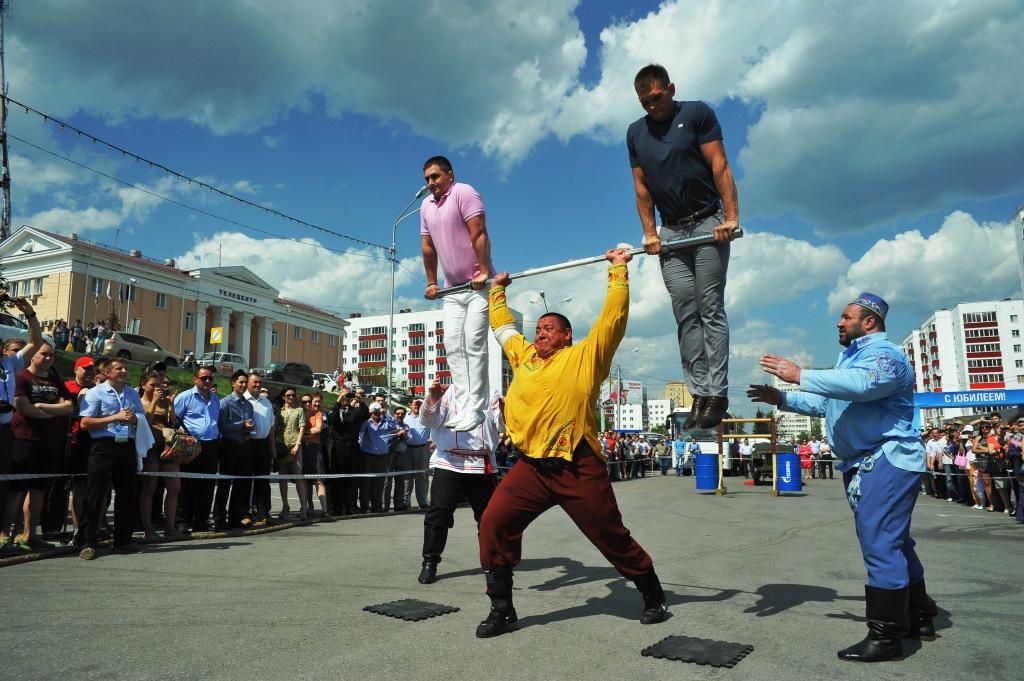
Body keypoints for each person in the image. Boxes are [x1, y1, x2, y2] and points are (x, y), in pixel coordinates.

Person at [475, 246, 668, 638]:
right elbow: (502, 328)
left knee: (610, 535)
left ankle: (652, 594)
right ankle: (502, 608)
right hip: (531, 466)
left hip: (577, 463)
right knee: (494, 523)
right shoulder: (524, 356)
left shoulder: (586, 357)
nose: (539, 332)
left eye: (548, 328)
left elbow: (612, 320)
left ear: (566, 335)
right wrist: (497, 291)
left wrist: (618, 271)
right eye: (538, 328)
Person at [748, 292, 936, 662]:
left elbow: (862, 386)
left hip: (886, 458)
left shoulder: (884, 356)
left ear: (869, 323)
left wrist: (799, 374)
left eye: (846, 317)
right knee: (896, 543)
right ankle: (919, 616)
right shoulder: (852, 358)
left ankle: (886, 638)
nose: (838, 322)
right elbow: (826, 403)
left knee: (881, 544)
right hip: (869, 462)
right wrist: (782, 398)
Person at [628, 63, 739, 431]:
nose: (651, 107)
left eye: (656, 99)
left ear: (671, 89)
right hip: (671, 233)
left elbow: (719, 164)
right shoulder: (635, 133)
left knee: (709, 308)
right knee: (684, 313)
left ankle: (717, 393)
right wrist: (650, 234)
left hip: (708, 223)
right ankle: (699, 392)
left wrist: (731, 217)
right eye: (644, 102)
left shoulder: (696, 113)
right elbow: (642, 188)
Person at [420, 155, 496, 433]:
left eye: (435, 176)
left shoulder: (464, 192)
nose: (431, 183)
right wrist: (431, 281)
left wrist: (484, 271)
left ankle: (478, 408)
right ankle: (464, 404)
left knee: (474, 343)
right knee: (452, 345)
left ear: (449, 175)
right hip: (452, 288)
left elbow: (479, 232)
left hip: (477, 285)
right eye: (427, 179)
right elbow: (428, 247)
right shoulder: (425, 206)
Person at [416, 379, 501, 585]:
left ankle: (493, 564)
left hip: (481, 463)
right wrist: (434, 397)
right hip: (449, 461)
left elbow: (502, 425)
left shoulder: (492, 392)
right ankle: (430, 561)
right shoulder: (448, 392)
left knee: (488, 518)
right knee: (439, 513)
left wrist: (507, 409)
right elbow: (428, 422)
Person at [4, 342, 74, 552]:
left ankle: (30, 534)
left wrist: (43, 407)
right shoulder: (21, 377)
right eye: (44, 354)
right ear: (33, 355)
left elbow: (69, 407)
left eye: (52, 355)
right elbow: (24, 408)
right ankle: (4, 535)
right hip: (24, 438)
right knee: (16, 490)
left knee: (39, 490)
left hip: (49, 441)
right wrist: (55, 411)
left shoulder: (55, 380)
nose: (48, 358)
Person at [78, 358, 149, 559]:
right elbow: (85, 422)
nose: (124, 371)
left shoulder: (132, 393)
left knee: (127, 493)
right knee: (95, 494)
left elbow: (141, 416)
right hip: (103, 447)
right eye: (119, 368)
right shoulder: (95, 393)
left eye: (125, 367)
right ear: (107, 373)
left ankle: (123, 540)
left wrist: (135, 419)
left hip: (125, 445)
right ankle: (86, 542)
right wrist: (114, 418)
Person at [0, 295, 44, 558]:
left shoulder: (9, 363)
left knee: (4, 485)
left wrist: (29, 314)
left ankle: (3, 535)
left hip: (6, 431)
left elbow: (35, 343)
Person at [173, 366, 220, 533]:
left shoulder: (215, 399)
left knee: (207, 486)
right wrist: (182, 433)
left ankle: (201, 521)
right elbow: (174, 420)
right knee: (187, 485)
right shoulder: (185, 397)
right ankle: (181, 521)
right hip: (191, 445)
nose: (207, 381)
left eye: (210, 378)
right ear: (195, 379)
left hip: (211, 446)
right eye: (204, 378)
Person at [138, 370, 181, 539]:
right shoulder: (140, 402)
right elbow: (146, 422)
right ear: (143, 385)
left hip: (168, 448)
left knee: (174, 487)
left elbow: (173, 423)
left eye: (161, 385)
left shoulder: (165, 402)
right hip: (151, 448)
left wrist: (171, 405)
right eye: (153, 385)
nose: (159, 388)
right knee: (149, 488)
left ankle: (170, 528)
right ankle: (148, 530)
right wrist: (154, 401)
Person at [216, 370, 255, 530]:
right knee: (225, 484)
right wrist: (241, 426)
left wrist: (250, 428)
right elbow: (222, 426)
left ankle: (235, 517)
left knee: (241, 485)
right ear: (233, 383)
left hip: (244, 446)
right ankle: (219, 519)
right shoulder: (225, 403)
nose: (244, 385)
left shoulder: (248, 405)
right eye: (241, 382)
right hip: (229, 445)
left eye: (246, 382)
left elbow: (250, 424)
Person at [243, 372, 276, 526]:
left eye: (260, 382)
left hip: (263, 445)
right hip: (247, 445)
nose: (257, 385)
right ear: (248, 383)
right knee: (245, 482)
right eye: (254, 382)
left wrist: (272, 447)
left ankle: (263, 514)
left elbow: (271, 427)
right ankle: (244, 513)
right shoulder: (242, 400)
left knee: (263, 481)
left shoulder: (266, 403)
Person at [328, 391, 369, 515]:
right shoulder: (335, 410)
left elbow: (366, 414)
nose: (345, 399)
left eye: (347, 397)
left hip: (352, 446)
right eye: (343, 397)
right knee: (338, 478)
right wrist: (338, 400)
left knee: (352, 479)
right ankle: (337, 507)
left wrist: (360, 400)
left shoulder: (355, 411)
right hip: (338, 447)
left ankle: (351, 506)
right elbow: (331, 419)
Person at [357, 402, 397, 514]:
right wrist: (368, 415)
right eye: (375, 412)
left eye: (378, 411)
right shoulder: (367, 422)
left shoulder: (386, 421)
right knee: (366, 482)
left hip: (382, 456)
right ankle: (364, 507)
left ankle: (377, 507)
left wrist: (387, 414)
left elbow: (394, 427)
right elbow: (360, 430)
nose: (377, 414)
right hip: (368, 456)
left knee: (379, 483)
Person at [275, 388, 308, 520]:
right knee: (282, 478)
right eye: (288, 395)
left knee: (298, 477)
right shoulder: (278, 411)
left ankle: (303, 509)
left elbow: (302, 428)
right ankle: (285, 507)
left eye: (293, 395)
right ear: (283, 396)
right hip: (282, 447)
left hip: (295, 446)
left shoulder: (299, 410)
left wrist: (297, 445)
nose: (291, 397)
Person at [403, 398, 432, 510]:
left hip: (422, 449)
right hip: (407, 449)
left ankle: (423, 501)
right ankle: (406, 501)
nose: (417, 406)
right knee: (407, 476)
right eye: (415, 404)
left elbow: (434, 429)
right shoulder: (404, 418)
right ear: (410, 405)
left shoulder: (426, 417)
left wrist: (432, 440)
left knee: (422, 476)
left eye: (420, 404)